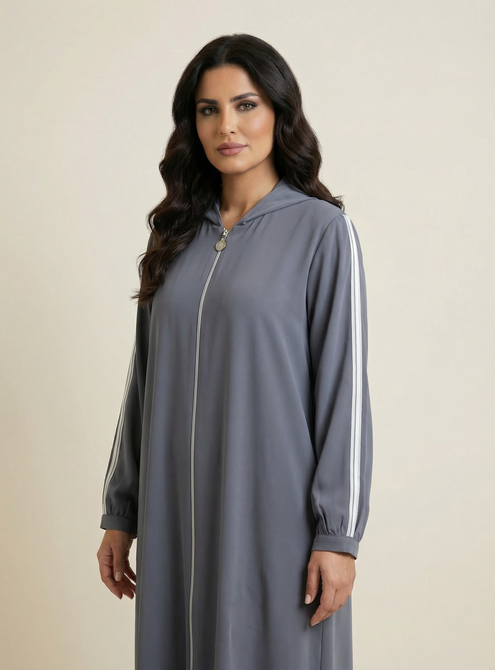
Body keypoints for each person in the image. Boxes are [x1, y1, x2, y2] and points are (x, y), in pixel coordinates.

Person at [96, 32, 373, 670]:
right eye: (208, 109)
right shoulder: (174, 236)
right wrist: (121, 510)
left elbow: (344, 391)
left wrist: (338, 534)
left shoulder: (322, 232)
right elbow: (143, 383)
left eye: (246, 105)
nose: (227, 126)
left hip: (275, 518)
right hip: (174, 517)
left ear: (279, 111)